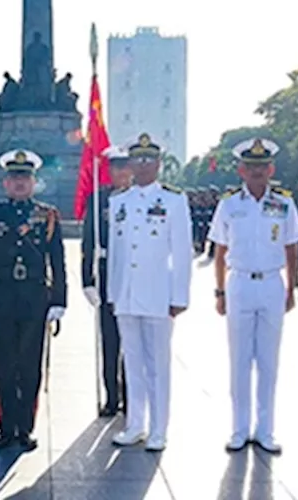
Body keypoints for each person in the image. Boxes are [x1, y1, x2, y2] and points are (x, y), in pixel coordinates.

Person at [208, 137, 298, 454]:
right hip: (240, 284)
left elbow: (292, 248)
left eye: (262, 166)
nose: (257, 172)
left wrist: (292, 288)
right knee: (239, 360)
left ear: (271, 169)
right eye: (251, 167)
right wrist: (220, 291)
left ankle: (265, 430)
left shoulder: (285, 204)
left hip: (272, 284)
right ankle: (238, 428)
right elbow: (220, 251)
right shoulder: (229, 204)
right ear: (241, 170)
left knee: (268, 361)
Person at [0, 149, 67, 452]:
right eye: (14, 177)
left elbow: (58, 261)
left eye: (25, 177)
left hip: (34, 298)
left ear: (33, 182)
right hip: (0, 296)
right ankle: (6, 428)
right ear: (5, 182)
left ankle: (25, 428)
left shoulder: (47, 215)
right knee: (4, 365)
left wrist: (59, 300)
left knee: (29, 366)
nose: (19, 182)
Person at [106, 133, 192, 452]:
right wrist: (113, 291)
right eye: (137, 159)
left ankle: (159, 428)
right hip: (127, 293)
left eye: (149, 159)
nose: (142, 165)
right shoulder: (119, 202)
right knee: (132, 361)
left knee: (158, 364)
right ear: (129, 164)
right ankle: (135, 424)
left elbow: (182, 251)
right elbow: (116, 250)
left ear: (158, 163)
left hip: (158, 293)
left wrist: (179, 296)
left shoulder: (173, 200)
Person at [81, 144, 133, 417]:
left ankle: (130, 394)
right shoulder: (99, 200)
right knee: (109, 338)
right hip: (105, 271)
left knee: (132, 339)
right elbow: (88, 240)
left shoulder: (140, 199)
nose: (121, 172)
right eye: (116, 167)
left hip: (132, 273)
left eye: (125, 167)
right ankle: (111, 397)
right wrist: (86, 279)